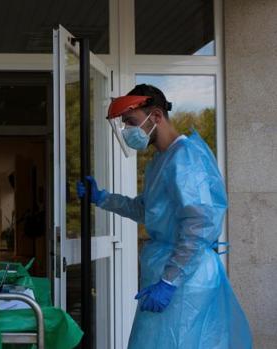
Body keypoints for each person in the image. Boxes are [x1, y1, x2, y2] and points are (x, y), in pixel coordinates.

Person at [77, 84, 252, 348]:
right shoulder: (161, 161)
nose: (127, 131)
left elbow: (200, 223)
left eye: (131, 122)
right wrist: (102, 198)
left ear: (156, 116)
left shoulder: (186, 158)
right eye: (124, 124)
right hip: (170, 276)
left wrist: (171, 279)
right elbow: (147, 210)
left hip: (186, 282)